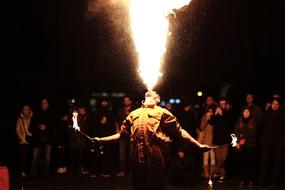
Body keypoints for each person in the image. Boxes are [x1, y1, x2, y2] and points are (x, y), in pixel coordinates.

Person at [92, 91, 211, 190]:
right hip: (136, 154)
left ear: (157, 99)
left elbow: (180, 132)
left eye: (154, 93)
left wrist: (198, 145)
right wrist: (101, 140)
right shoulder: (134, 114)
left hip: (154, 154)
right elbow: (120, 135)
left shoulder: (162, 112)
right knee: (138, 185)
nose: (150, 91)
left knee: (156, 184)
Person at [16, 105, 33, 178]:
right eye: (24, 109)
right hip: (23, 141)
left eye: (27, 109)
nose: (26, 110)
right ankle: (23, 171)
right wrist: (22, 139)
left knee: (30, 157)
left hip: (31, 141)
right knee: (23, 157)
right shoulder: (20, 119)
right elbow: (17, 129)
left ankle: (29, 171)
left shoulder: (32, 118)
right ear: (22, 110)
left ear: (29, 110)